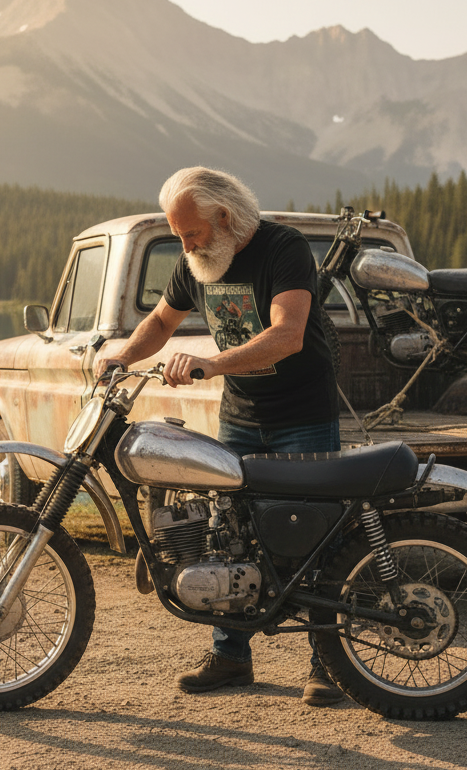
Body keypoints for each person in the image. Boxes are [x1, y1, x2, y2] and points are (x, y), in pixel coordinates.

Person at [94, 166, 343, 707]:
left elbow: (288, 335)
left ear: (224, 217)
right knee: (226, 533)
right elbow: (160, 323)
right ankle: (230, 655)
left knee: (314, 538)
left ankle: (328, 662)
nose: (186, 245)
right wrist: (120, 356)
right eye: (179, 236)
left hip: (303, 414)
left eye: (191, 233)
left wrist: (208, 363)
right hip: (241, 416)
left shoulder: (285, 249)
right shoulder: (198, 263)